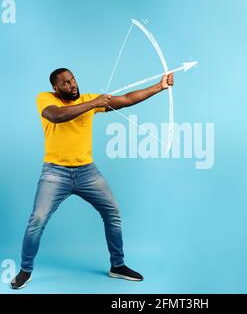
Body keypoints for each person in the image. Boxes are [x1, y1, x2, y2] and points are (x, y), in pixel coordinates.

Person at [10, 68, 174, 289]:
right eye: (66, 83)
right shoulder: (46, 99)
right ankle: (25, 270)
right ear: (55, 89)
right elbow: (56, 116)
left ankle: (117, 266)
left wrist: (159, 86)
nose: (72, 85)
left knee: (113, 213)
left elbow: (126, 99)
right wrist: (93, 104)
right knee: (37, 220)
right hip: (55, 173)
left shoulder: (89, 100)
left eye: (73, 79)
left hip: (87, 172)